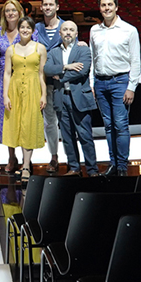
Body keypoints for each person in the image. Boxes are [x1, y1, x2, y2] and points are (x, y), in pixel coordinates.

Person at [88, 0, 141, 176]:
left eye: (110, 5)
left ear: (116, 7)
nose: (107, 8)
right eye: (103, 5)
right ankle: (113, 163)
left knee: (121, 124)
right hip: (101, 83)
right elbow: (93, 59)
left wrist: (131, 87)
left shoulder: (129, 30)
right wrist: (92, 84)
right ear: (100, 8)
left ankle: (122, 167)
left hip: (120, 82)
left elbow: (136, 61)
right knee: (108, 125)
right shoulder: (95, 30)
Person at [45, 20, 98, 176]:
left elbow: (82, 71)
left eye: (71, 30)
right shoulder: (53, 52)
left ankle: (92, 169)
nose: (68, 32)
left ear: (76, 33)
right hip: (62, 98)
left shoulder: (83, 50)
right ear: (60, 33)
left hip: (80, 98)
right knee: (67, 137)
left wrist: (59, 77)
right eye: (65, 29)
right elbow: (47, 69)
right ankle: (74, 168)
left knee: (85, 136)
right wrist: (65, 67)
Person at [3, 16, 47, 180]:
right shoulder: (11, 49)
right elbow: (7, 74)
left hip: (33, 89)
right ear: (19, 29)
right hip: (14, 90)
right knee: (14, 124)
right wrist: (5, 95)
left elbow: (42, 73)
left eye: (28, 28)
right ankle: (13, 159)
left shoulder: (40, 48)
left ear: (33, 30)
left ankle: (26, 165)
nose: (25, 30)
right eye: (22, 27)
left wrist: (44, 94)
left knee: (29, 125)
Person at [32, 0, 65, 174]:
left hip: (62, 82)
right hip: (43, 82)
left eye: (51, 4)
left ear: (57, 7)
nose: (47, 7)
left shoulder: (66, 26)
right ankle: (53, 156)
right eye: (44, 5)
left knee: (66, 121)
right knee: (49, 122)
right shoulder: (36, 28)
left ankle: (74, 159)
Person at [0, 0, 24, 172]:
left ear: (20, 12)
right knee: (6, 119)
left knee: (23, 118)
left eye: (13, 10)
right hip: (3, 79)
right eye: (7, 11)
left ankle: (25, 159)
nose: (10, 13)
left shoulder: (28, 30)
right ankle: (11, 157)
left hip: (24, 78)